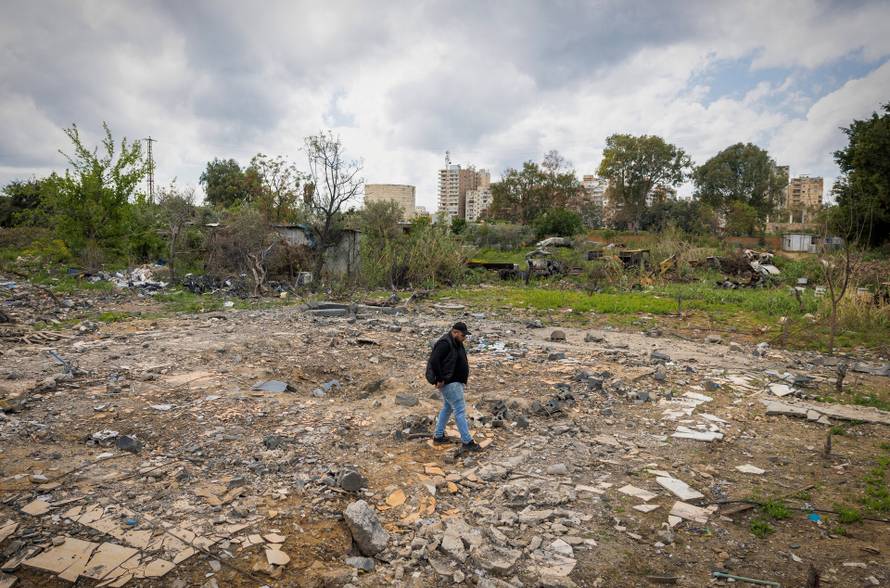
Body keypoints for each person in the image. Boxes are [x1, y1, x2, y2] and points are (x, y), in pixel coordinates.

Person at [426, 322, 482, 452]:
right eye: (463, 335)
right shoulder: (445, 343)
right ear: (455, 332)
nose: (465, 338)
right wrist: (439, 379)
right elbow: (434, 360)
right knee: (460, 410)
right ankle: (467, 441)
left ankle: (438, 436)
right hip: (450, 383)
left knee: (447, 408)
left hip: (454, 382)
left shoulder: (455, 342)